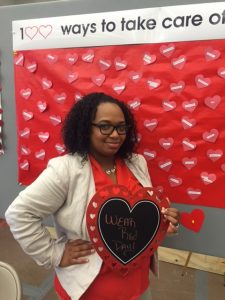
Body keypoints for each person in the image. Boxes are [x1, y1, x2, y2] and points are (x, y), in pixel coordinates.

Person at [5, 92, 180, 300]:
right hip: (89, 290)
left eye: (121, 127)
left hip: (138, 286)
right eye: (105, 126)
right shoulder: (66, 170)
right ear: (86, 128)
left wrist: (162, 220)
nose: (115, 134)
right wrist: (54, 253)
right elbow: (19, 214)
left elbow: (137, 214)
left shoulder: (137, 162)